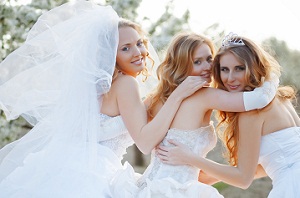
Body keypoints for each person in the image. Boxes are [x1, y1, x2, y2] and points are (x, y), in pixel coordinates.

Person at [0, 1, 208, 197]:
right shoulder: (126, 84)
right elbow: (144, 142)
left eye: (139, 43)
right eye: (125, 48)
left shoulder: (101, 89)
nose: (138, 52)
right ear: (111, 55)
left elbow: (127, 116)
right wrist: (178, 96)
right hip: (93, 173)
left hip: (68, 167)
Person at [110, 31, 280, 197]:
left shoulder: (157, 98)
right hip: (176, 191)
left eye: (209, 59)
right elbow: (260, 98)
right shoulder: (204, 95)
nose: (207, 67)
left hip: (150, 187)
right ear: (182, 65)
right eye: (197, 62)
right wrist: (268, 71)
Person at [157, 33, 300, 198]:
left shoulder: (252, 113)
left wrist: (191, 158)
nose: (230, 78)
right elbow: (263, 167)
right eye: (224, 70)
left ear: (253, 67)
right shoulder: (280, 99)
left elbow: (243, 179)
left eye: (239, 68)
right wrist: (206, 176)